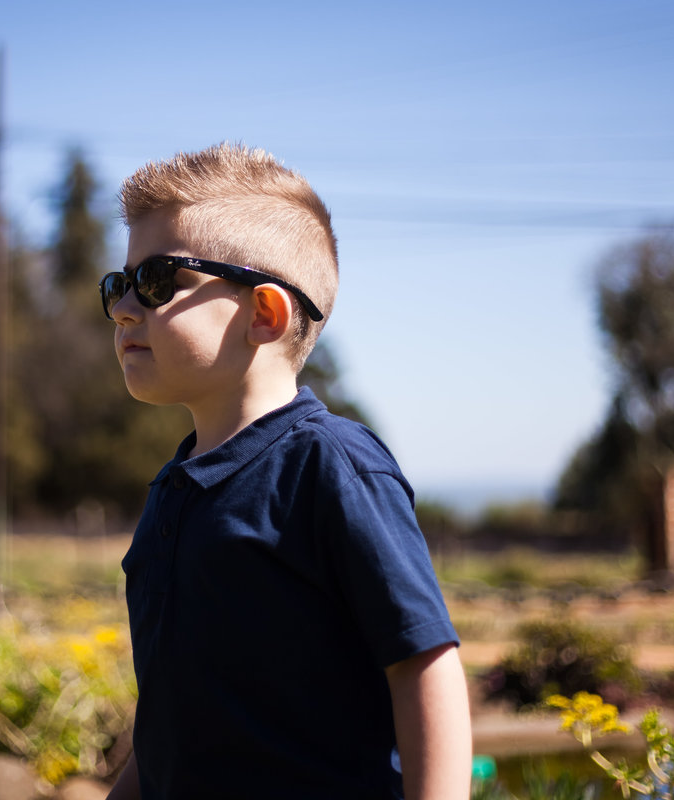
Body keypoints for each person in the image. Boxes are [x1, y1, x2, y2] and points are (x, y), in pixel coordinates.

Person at [101, 143, 471, 800]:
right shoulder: (172, 491)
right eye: (118, 284)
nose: (126, 307)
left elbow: (424, 667)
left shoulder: (331, 464)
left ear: (265, 315)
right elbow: (170, 725)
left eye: (157, 281)